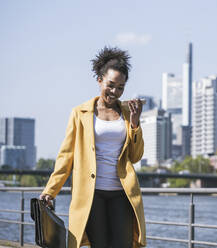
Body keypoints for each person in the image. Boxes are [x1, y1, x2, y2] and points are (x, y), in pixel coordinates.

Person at [39, 46, 146, 248]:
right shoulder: (80, 113)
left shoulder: (127, 113)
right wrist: (50, 191)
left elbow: (136, 155)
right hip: (91, 194)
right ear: (99, 80)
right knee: (100, 245)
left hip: (122, 192)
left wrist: (134, 124)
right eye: (111, 85)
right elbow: (66, 156)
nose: (115, 92)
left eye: (121, 87)